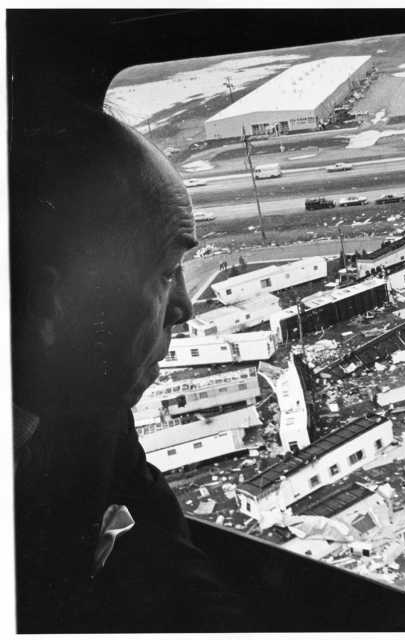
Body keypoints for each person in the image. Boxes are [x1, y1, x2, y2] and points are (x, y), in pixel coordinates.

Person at [11, 106, 247, 633]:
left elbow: (177, 568)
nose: (187, 308)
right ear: (54, 303)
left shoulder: (96, 408)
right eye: (166, 272)